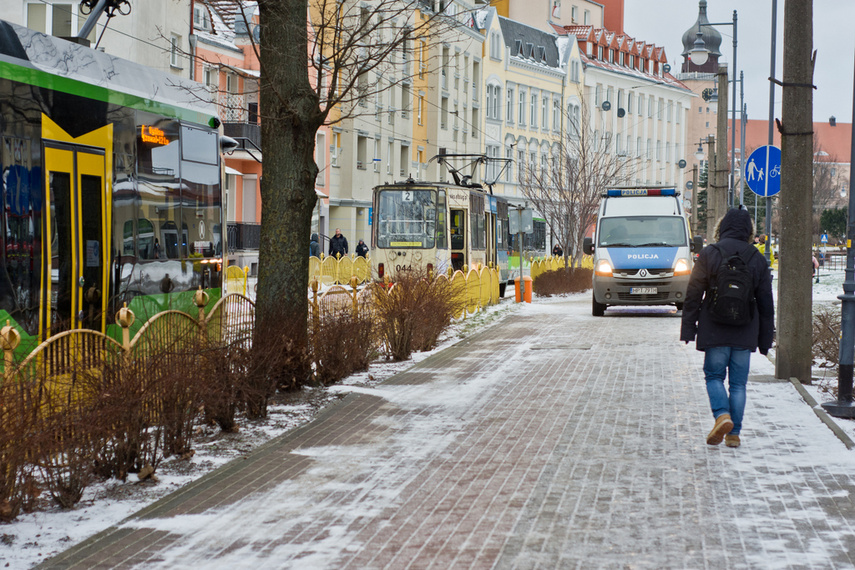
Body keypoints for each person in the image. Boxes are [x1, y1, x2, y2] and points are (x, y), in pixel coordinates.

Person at [680, 208, 774, 448]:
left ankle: (722, 415)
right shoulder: (756, 257)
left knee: (713, 376)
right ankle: (734, 434)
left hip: (714, 326)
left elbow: (693, 293)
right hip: (745, 328)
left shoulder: (710, 253)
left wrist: (689, 328)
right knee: (739, 384)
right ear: (749, 231)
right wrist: (765, 340)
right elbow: (765, 303)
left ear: (721, 229)